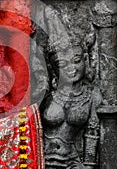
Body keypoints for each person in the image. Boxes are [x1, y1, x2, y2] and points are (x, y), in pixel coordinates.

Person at [40, 34, 102, 169]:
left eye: (76, 60)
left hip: (72, 160)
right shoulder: (47, 95)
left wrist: (88, 165)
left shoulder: (92, 96)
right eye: (62, 64)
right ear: (53, 69)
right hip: (42, 158)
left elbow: (92, 133)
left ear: (85, 60)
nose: (71, 68)